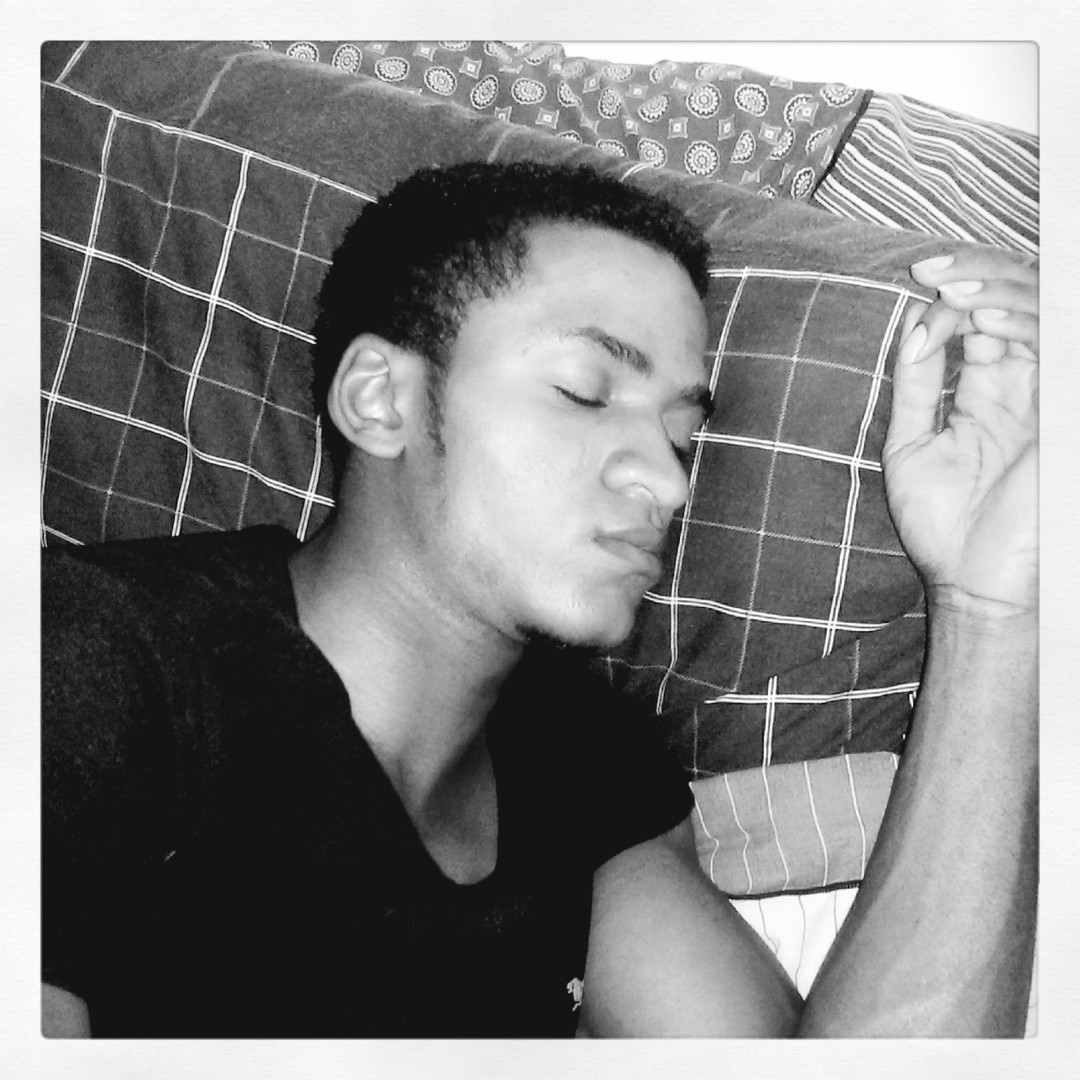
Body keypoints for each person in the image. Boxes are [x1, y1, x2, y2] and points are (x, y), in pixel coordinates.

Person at [41, 161, 1038, 1038]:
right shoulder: (88, 661)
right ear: (380, 399)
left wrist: (991, 610)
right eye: (584, 391)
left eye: (682, 433)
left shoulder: (584, 768)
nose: (668, 480)